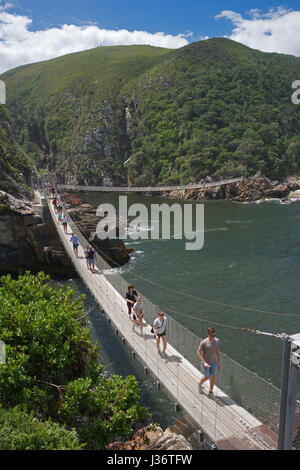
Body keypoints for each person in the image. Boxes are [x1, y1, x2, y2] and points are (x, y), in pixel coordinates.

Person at [197, 327, 221, 397]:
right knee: (206, 377)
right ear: (208, 334)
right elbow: (198, 352)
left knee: (213, 377)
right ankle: (199, 384)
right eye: (212, 335)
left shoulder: (217, 341)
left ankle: (210, 391)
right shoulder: (204, 342)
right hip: (206, 363)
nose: (213, 337)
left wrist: (219, 362)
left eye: (214, 335)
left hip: (214, 363)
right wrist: (204, 362)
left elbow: (217, 352)